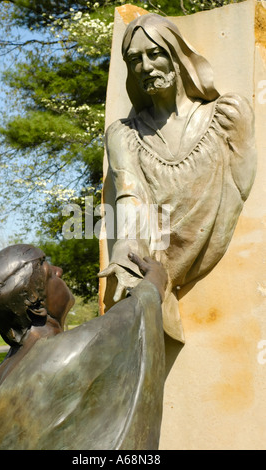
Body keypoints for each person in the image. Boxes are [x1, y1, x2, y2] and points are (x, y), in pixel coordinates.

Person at [100, 13, 257, 343]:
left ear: (176, 55)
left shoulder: (228, 116)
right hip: (154, 262)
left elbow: (242, 186)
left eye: (154, 53)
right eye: (134, 59)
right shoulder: (123, 135)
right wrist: (128, 246)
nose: (145, 66)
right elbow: (129, 195)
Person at [0, 244, 167, 450]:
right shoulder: (66, 351)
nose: (58, 271)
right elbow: (137, 312)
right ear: (36, 304)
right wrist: (155, 279)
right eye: (49, 271)